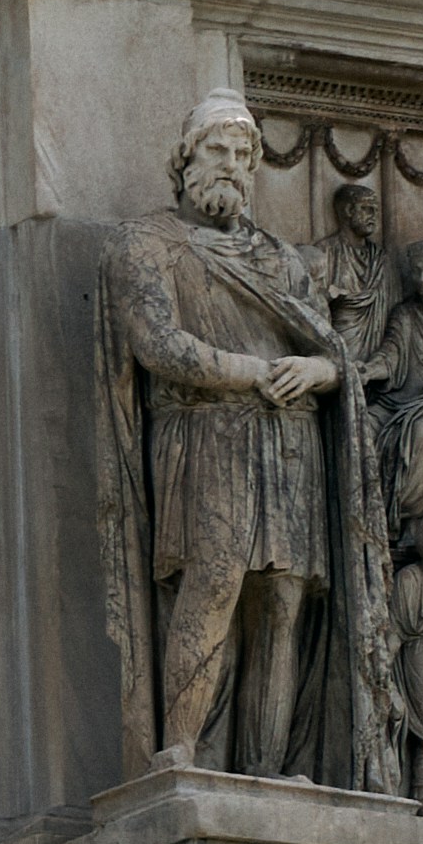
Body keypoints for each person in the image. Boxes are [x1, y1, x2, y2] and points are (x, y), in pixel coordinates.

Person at [116, 94, 363, 780]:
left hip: (287, 443)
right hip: (203, 436)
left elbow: (333, 351)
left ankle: (265, 769)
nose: (229, 165)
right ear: (185, 157)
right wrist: (253, 372)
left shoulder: (282, 261)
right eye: (217, 150)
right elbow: (157, 344)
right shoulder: (146, 243)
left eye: (242, 155)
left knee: (281, 603)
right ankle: (181, 751)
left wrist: (315, 370)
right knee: (213, 584)